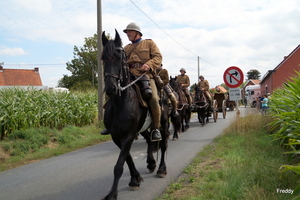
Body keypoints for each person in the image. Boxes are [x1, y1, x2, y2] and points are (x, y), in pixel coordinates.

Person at [101, 22, 162, 142]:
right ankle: (110, 125)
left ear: (137, 32)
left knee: (153, 98)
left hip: (145, 76)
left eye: (129, 31)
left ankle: (156, 128)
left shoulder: (149, 43)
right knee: (113, 94)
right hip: (129, 76)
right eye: (126, 32)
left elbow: (158, 57)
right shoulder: (126, 48)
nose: (127, 34)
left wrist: (149, 64)